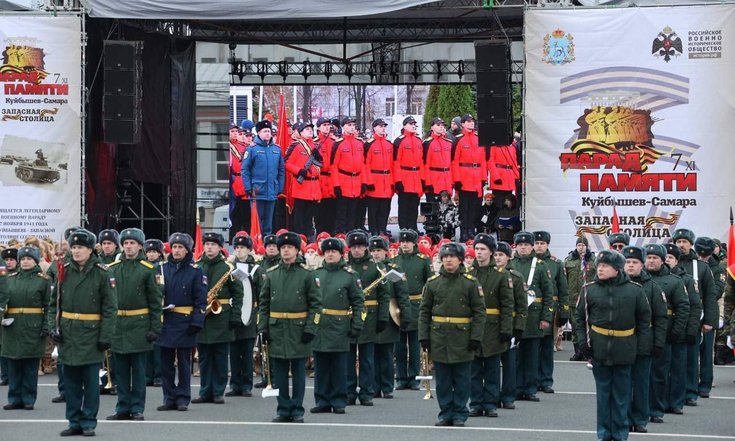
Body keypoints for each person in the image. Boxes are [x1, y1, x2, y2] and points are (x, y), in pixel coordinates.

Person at [575, 250, 651, 441]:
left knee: (621, 396)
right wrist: (583, 342)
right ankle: (604, 433)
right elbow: (580, 318)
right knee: (603, 395)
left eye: (605, 266)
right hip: (599, 348)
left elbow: (644, 321)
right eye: (599, 265)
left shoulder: (635, 290)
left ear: (617, 269)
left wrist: (641, 347)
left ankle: (619, 433)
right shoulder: (589, 289)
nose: (600, 269)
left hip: (624, 348)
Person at [48, 229, 117, 437]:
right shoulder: (64, 270)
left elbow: (110, 309)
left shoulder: (102, 273)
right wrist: (53, 327)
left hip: (91, 334)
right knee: (71, 383)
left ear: (90, 250)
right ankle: (74, 421)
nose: (76, 251)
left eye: (80, 247)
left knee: (91, 383)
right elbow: (53, 304)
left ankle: (88, 421)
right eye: (74, 247)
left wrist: (106, 336)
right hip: (68, 333)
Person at [419, 242, 486, 427]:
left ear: (460, 260)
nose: (448, 260)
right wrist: (423, 336)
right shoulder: (433, 283)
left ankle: (460, 413)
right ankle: (445, 413)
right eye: (445, 257)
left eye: (452, 257)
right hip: (439, 336)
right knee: (443, 380)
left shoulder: (470, 283)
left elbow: (479, 313)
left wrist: (476, 337)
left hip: (462, 337)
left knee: (462, 379)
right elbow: (424, 312)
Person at [258, 231, 322, 423]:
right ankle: (283, 409)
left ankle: (297, 409)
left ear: (297, 250)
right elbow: (264, 304)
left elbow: (316, 305)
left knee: (299, 373)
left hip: (298, 329)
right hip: (277, 328)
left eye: (290, 247)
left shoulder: (307, 275)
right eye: (283, 247)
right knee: (279, 374)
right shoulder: (271, 274)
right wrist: (263, 327)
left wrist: (311, 328)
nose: (286, 250)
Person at [105, 228, 162, 421]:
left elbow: (155, 301)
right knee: (120, 370)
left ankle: (137, 407)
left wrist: (155, 327)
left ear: (140, 246)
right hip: (118, 325)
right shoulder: (112, 268)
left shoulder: (147, 269)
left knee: (138, 371)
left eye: (132, 243)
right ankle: (122, 407)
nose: (128, 247)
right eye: (126, 243)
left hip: (139, 324)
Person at [310, 238, 364, 414]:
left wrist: (357, 324)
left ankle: (339, 400)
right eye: (327, 252)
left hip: (340, 325)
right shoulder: (316, 274)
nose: (330, 254)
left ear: (341, 254)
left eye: (334, 251)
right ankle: (322, 400)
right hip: (320, 324)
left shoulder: (349, 275)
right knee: (321, 366)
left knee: (339, 366)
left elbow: (358, 303)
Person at [156, 233, 207, 412]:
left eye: (180, 247)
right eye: (174, 247)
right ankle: (168, 397)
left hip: (185, 321)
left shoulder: (195, 271)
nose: (176, 250)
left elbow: (201, 299)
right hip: (165, 320)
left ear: (187, 250)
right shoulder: (161, 269)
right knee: (166, 363)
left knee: (184, 363)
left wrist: (197, 321)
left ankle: (183, 397)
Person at [621, 246, 668, 434]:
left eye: (635, 262)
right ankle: (624, 418)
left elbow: (660, 318)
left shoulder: (652, 287)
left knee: (641, 383)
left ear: (642, 265)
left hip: (644, 341)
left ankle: (640, 418)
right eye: (627, 262)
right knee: (623, 383)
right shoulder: (616, 285)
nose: (630, 265)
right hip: (621, 342)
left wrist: (658, 343)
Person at [193, 233, 243, 405]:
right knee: (204, 357)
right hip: (202, 316)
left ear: (220, 247)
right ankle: (204, 391)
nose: (209, 247)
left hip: (222, 316)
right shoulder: (197, 266)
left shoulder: (228, 267)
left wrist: (235, 316)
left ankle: (218, 391)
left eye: (213, 244)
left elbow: (239, 293)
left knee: (220, 356)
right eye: (207, 244)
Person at [467, 234, 514, 418]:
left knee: (492, 368)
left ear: (491, 252)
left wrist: (506, 329)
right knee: (474, 369)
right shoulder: (468, 274)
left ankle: (490, 403)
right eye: (477, 249)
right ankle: (476, 403)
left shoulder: (501, 275)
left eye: (483, 249)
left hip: (493, 326)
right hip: (473, 326)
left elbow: (507, 305)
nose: (479, 252)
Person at [643, 244, 689, 424]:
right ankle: (640, 408)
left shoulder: (674, 281)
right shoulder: (639, 280)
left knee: (659, 374)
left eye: (655, 258)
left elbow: (683, 307)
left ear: (663, 260)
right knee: (640, 375)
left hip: (664, 333)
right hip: (641, 333)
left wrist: (676, 331)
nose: (651, 261)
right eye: (648, 257)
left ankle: (656, 409)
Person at [672, 229, 718, 403]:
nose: (681, 245)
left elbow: (710, 296)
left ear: (691, 244)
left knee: (692, 356)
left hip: (695, 317)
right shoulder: (669, 264)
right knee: (675, 358)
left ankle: (691, 392)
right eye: (678, 241)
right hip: (674, 318)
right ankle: (674, 392)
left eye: (684, 242)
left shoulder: (701, 267)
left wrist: (709, 321)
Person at [0, 246, 49, 410]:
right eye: (22, 259)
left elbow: (48, 306)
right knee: (13, 364)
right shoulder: (10, 279)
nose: (25, 262)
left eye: (29, 259)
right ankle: (14, 398)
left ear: (35, 261)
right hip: (12, 326)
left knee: (30, 365)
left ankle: (28, 399)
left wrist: (46, 326)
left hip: (33, 325)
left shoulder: (43, 280)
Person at [508, 231, 554, 402]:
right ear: (515, 246)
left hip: (534, 316)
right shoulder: (510, 264)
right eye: (520, 245)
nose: (523, 248)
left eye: (526, 245)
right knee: (516, 356)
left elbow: (548, 293)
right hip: (515, 316)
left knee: (532, 355)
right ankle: (516, 387)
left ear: (531, 246)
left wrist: (546, 318)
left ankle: (530, 388)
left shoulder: (540, 265)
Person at [345, 230, 389, 406]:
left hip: (370, 315)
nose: (357, 250)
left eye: (360, 246)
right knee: (348, 357)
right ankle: (349, 392)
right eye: (354, 247)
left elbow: (384, 295)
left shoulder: (375, 267)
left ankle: (366, 392)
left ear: (366, 248)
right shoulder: (345, 266)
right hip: (348, 316)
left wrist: (383, 317)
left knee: (367, 359)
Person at [369, 236, 411, 399]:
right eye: (373, 250)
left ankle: (387, 387)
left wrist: (405, 316)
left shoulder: (393, 269)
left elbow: (402, 293)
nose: (375, 254)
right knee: (371, 354)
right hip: (371, 314)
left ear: (386, 252)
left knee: (386, 353)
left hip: (389, 313)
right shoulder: (368, 268)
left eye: (378, 250)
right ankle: (374, 386)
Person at [392, 229, 432, 391]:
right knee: (399, 345)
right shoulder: (394, 261)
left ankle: (414, 378)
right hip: (398, 305)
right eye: (402, 241)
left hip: (417, 304)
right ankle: (401, 378)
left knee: (415, 345)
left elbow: (429, 284)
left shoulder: (423, 260)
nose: (405, 244)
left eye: (408, 242)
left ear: (414, 243)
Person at [664, 243, 702, 410]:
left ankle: (677, 401)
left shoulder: (686, 280)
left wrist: (691, 330)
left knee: (679, 368)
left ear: (677, 261)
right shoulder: (654, 278)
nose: (667, 260)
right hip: (663, 329)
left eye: (670, 257)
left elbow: (694, 307)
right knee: (662, 369)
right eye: (665, 257)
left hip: (681, 328)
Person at [226, 234, 264, 398]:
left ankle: (247, 385)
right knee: (234, 353)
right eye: (237, 248)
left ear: (249, 250)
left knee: (247, 353)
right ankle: (235, 384)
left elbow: (262, 294)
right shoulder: (229, 268)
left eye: (242, 248)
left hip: (250, 315)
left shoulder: (256, 270)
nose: (239, 250)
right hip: (233, 314)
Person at [533, 231, 569, 394]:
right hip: (532, 308)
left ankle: (546, 380)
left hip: (550, 308)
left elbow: (563, 289)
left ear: (547, 245)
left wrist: (564, 311)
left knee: (547, 346)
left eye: (542, 243)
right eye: (536, 243)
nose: (539, 246)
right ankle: (532, 379)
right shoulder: (530, 262)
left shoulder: (556, 264)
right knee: (532, 347)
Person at [494, 241, 527, 410]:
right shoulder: (487, 274)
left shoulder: (516, 277)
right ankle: (492, 396)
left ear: (508, 257)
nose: (497, 258)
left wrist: (519, 327)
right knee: (491, 364)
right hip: (491, 325)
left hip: (510, 324)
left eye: (501, 255)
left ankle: (508, 396)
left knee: (509, 363)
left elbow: (522, 305)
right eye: (495, 255)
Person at [242, 119, 286, 236]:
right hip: (257, 191)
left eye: (269, 131)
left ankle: (267, 242)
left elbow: (281, 170)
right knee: (257, 223)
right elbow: (245, 170)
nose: (267, 133)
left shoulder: (276, 149)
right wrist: (248, 188)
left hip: (272, 191)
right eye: (264, 131)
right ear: (258, 133)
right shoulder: (252, 149)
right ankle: (257, 243)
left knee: (268, 223)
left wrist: (280, 187)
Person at [693, 236, 724, 394]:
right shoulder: (691, 264)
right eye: (700, 252)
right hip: (693, 311)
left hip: (709, 311)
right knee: (692, 351)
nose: (702, 255)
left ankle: (705, 385)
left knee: (706, 351)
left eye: (705, 253)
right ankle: (691, 383)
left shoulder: (718, 268)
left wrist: (702, 292)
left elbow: (718, 290)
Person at [451, 114, 486, 241]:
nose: (471, 123)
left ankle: (471, 230)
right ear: (463, 124)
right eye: (468, 121)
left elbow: (483, 160)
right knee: (464, 208)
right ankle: (464, 231)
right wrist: (457, 180)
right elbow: (454, 162)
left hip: (476, 178)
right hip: (464, 177)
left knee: (474, 206)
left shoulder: (478, 139)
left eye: (472, 121)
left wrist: (483, 178)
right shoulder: (458, 139)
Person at [285, 122, 322, 240]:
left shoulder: (316, 145)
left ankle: (309, 236)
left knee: (310, 215)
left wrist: (319, 157)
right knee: (300, 215)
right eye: (307, 129)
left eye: (311, 129)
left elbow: (322, 165)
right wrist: (298, 171)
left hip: (313, 185)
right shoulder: (296, 145)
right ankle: (300, 238)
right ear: (300, 132)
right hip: (301, 185)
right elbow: (286, 163)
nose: (310, 131)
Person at [331, 117, 367, 233]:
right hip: (343, 181)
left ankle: (351, 233)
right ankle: (341, 234)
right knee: (342, 212)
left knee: (353, 211)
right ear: (343, 127)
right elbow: (334, 166)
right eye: (349, 125)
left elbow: (363, 164)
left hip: (356, 182)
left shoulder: (359, 143)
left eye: (353, 125)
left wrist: (363, 182)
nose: (352, 127)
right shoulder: (338, 144)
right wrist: (336, 185)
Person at [565, 237, 597, 361]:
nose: (581, 247)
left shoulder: (593, 260)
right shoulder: (568, 260)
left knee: (590, 326)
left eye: (583, 245)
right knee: (575, 326)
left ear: (587, 246)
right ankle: (578, 352)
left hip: (589, 298)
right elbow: (564, 280)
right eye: (579, 245)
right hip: (573, 299)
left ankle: (588, 352)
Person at [364, 118, 394, 237]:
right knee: (373, 209)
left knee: (385, 208)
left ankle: (382, 229)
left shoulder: (389, 144)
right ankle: (374, 230)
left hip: (387, 180)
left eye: (384, 126)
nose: (383, 128)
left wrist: (393, 182)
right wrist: (368, 181)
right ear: (375, 128)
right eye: (380, 126)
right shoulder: (369, 144)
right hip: (375, 180)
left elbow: (392, 164)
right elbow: (365, 164)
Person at [393, 116, 424, 231]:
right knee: (404, 205)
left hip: (416, 177)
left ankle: (413, 227)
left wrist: (422, 179)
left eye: (414, 124)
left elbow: (421, 161)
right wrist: (398, 180)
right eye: (411, 124)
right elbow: (396, 162)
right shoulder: (399, 141)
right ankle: (404, 228)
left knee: (414, 205)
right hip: (405, 176)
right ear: (404, 126)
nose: (413, 126)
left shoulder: (418, 141)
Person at [143, 239, 165, 388]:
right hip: (145, 309)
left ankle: (158, 375)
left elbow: (162, 287)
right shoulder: (144, 267)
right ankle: (147, 375)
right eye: (149, 252)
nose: (151, 255)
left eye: (154, 252)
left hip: (159, 308)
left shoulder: (161, 268)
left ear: (159, 254)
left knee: (158, 345)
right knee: (147, 344)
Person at [229, 120, 254, 240]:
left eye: (236, 131)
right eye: (233, 131)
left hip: (244, 182)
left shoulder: (244, 147)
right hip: (235, 182)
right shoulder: (230, 147)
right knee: (235, 215)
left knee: (246, 215)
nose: (235, 134)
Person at [314, 117, 338, 235]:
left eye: (328, 125)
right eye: (324, 125)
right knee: (319, 212)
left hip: (331, 179)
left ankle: (331, 234)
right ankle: (320, 234)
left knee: (332, 210)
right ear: (318, 127)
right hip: (320, 179)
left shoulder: (334, 142)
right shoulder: (315, 143)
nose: (327, 127)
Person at [422, 117, 453, 203]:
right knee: (433, 208)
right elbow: (425, 165)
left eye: (442, 125)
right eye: (438, 125)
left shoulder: (449, 143)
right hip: (433, 181)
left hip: (447, 181)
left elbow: (451, 164)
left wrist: (452, 182)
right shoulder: (427, 143)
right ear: (432, 127)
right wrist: (427, 183)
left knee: (447, 208)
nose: (441, 127)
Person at [487, 143, 519, 210]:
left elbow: (514, 163)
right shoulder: (494, 147)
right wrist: (496, 177)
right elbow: (490, 162)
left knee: (508, 206)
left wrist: (516, 177)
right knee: (498, 205)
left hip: (509, 180)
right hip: (498, 180)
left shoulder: (512, 148)